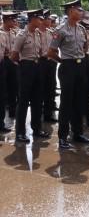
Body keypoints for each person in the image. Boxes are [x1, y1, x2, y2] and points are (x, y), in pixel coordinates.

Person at [47, 0, 89, 149]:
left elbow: (86, 48)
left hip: (81, 66)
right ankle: (62, 137)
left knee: (79, 101)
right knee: (66, 103)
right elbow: (50, 52)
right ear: (71, 11)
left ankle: (78, 133)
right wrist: (64, 61)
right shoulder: (60, 30)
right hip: (68, 67)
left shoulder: (82, 29)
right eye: (79, 10)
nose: (82, 13)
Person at [11, 9, 49, 142]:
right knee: (23, 100)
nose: (41, 21)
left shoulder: (38, 34)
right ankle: (20, 132)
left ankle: (37, 128)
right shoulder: (22, 35)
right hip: (26, 67)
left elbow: (39, 51)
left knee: (37, 100)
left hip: (37, 67)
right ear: (32, 19)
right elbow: (14, 56)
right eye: (39, 19)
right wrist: (24, 66)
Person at [38, 10, 58, 123]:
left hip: (51, 61)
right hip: (41, 62)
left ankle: (48, 113)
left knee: (50, 87)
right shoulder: (36, 33)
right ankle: (39, 111)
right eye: (49, 19)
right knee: (40, 88)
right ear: (43, 20)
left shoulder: (51, 32)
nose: (51, 21)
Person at [2, 11, 19, 118]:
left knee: (14, 86)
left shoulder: (15, 32)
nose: (15, 22)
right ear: (7, 21)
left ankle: (13, 111)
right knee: (3, 88)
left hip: (12, 61)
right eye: (13, 20)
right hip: (2, 61)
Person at [0, 24, 11, 132]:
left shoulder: (2, 34)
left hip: (1, 65)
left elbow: (7, 50)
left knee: (1, 95)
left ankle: (1, 123)